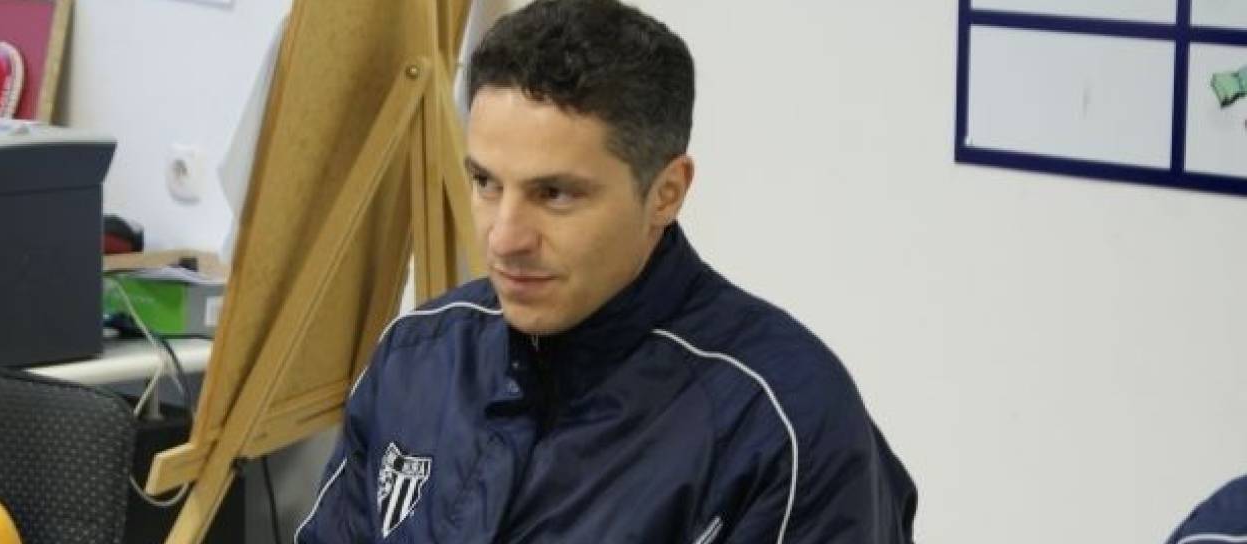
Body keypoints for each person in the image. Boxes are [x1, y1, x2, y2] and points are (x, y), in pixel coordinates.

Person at [296, 0, 917, 541]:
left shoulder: (781, 425)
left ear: (667, 193)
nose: (504, 239)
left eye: (555, 194)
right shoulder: (417, 355)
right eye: (485, 182)